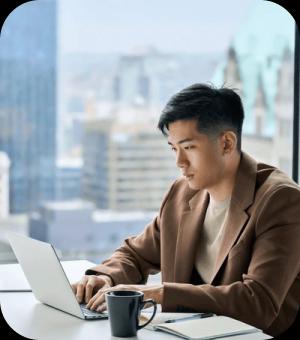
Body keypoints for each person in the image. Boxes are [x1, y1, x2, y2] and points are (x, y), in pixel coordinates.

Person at [72, 83, 300, 338]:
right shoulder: (182, 193)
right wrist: (107, 279)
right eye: (173, 148)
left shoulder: (281, 200)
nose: (179, 162)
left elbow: (258, 302)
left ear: (226, 143)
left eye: (189, 148)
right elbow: (135, 254)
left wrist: (160, 294)